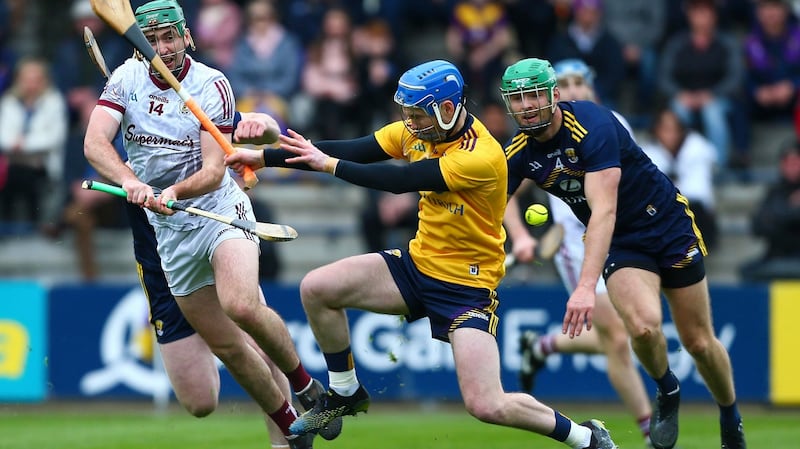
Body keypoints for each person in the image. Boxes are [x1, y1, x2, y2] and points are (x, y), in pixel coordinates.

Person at [226, 59, 618, 449]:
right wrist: (264, 157)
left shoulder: (481, 155)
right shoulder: (418, 131)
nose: (410, 123)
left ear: (447, 110)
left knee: (487, 403)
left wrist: (329, 167)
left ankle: (585, 436)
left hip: (466, 287)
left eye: (417, 115)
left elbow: (402, 180)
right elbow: (356, 149)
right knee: (317, 288)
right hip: (416, 266)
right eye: (407, 114)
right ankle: (345, 392)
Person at [82, 2, 335, 447]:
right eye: (153, 39)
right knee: (222, 361)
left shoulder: (210, 84)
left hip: (216, 212)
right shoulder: (125, 79)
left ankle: (305, 386)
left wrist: (174, 193)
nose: (162, 47)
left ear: (186, 37)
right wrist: (130, 180)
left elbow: (215, 171)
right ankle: (290, 423)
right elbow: (93, 142)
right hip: (168, 235)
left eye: (169, 37)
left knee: (241, 306)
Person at [500, 57, 746, 449]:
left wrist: (584, 287)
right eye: (517, 98)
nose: (526, 105)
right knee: (643, 328)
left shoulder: (593, 125)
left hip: (666, 224)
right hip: (622, 242)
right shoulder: (518, 151)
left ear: (553, 95)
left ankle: (730, 415)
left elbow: (604, 210)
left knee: (699, 341)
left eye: (533, 95)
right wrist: (515, 237)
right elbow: (493, 202)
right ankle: (667, 389)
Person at [508, 58, 653, 447]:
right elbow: (504, 195)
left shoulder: (609, 123)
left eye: (577, 83)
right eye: (564, 83)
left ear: (590, 89)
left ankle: (543, 345)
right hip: (578, 246)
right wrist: (520, 235)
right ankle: (650, 432)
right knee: (619, 341)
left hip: (627, 239)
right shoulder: (534, 137)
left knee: (622, 335)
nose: (571, 90)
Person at [642, 107, 719, 251]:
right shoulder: (648, 152)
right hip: (663, 214)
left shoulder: (697, 147)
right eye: (665, 129)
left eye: (674, 128)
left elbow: (698, 192)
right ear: (656, 130)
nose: (670, 134)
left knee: (689, 209)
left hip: (696, 214)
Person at [739, 140, 800, 281]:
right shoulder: (774, 191)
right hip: (775, 256)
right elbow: (757, 226)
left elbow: (771, 219)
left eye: (796, 162)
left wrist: (777, 216)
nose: (791, 167)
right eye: (787, 162)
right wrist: (791, 210)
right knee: (746, 271)